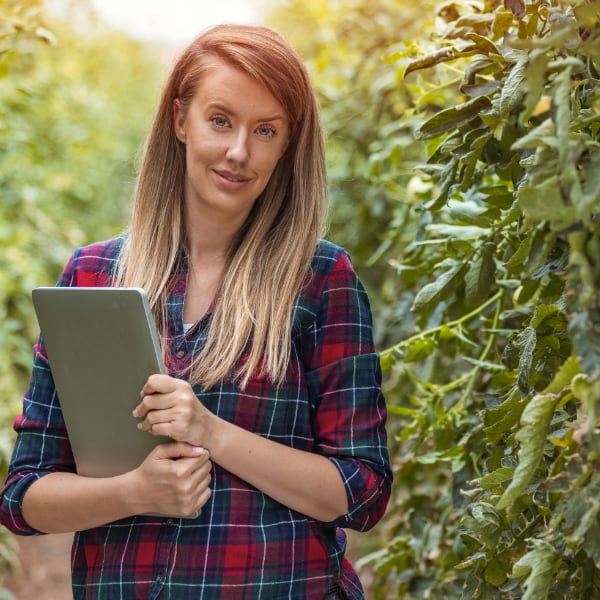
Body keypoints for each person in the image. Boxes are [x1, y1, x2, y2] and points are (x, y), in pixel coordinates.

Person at [0, 24, 392, 600]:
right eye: (220, 120)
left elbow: (362, 491)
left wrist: (210, 431)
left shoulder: (321, 279)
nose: (238, 151)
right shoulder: (92, 276)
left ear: (288, 144)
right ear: (180, 120)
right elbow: (22, 498)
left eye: (265, 130)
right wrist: (136, 492)